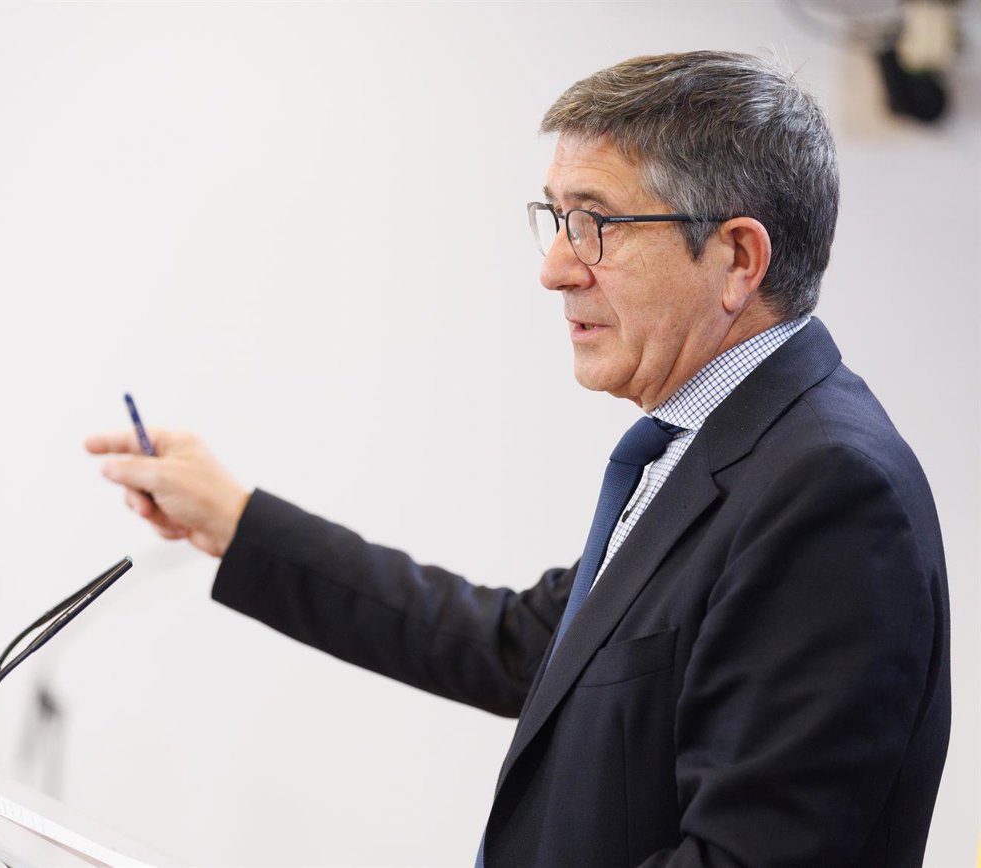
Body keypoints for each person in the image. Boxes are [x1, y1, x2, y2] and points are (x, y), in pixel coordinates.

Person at [86, 51, 950, 867]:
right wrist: (237, 523)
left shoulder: (830, 490)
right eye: (557, 219)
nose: (555, 268)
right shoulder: (715, 446)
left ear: (736, 258)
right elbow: (515, 643)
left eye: (596, 223)